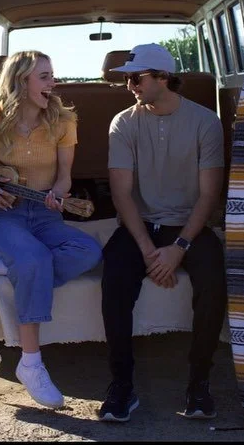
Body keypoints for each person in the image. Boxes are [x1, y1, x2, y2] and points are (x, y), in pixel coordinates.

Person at [0, 50, 102, 409]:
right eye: (45, 77)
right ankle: (31, 364)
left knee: (88, 251)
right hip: (7, 215)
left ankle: (7, 265)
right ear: (21, 81)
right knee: (34, 259)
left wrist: (59, 194)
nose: (54, 82)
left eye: (52, 75)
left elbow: (65, 177)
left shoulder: (63, 120)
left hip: (47, 215)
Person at [97, 43, 227, 422]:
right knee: (114, 280)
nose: (130, 86)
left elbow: (209, 194)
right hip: (140, 226)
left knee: (214, 281)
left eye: (136, 78)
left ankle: (199, 383)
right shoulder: (123, 122)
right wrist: (149, 251)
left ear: (163, 78)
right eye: (127, 79)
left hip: (188, 227)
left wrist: (179, 247)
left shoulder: (205, 122)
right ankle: (122, 385)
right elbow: (121, 194)